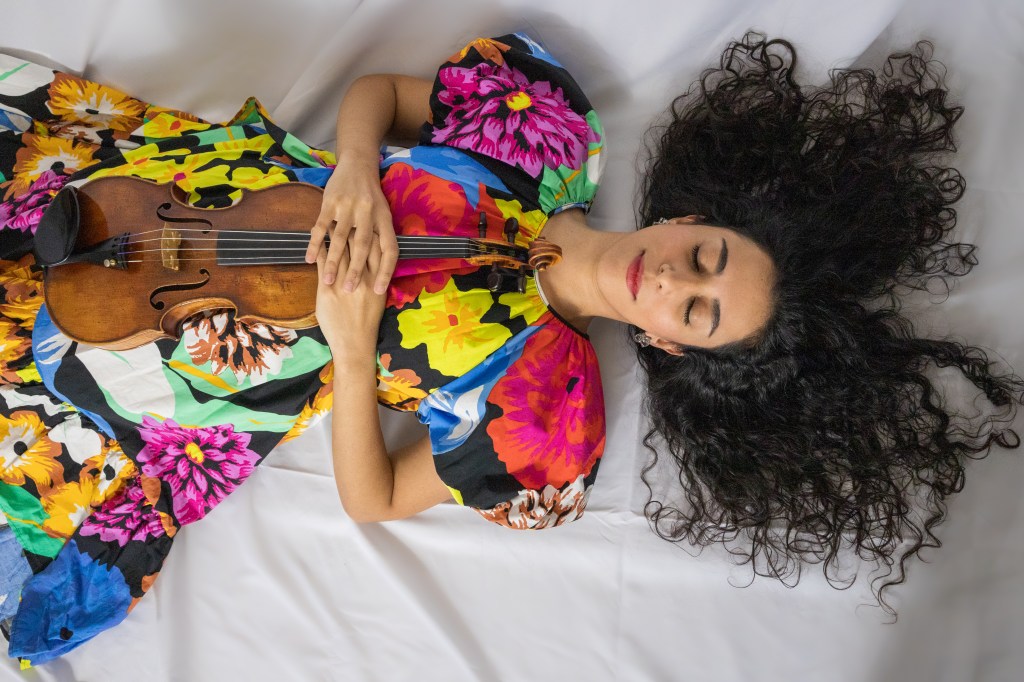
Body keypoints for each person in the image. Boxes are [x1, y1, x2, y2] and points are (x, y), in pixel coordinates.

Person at [0, 30, 1017, 664]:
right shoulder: (553, 133)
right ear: (691, 217)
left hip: (220, 360)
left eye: (697, 309)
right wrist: (356, 170)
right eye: (702, 256)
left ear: (670, 346)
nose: (671, 280)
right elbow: (385, 100)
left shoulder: (551, 416)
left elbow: (372, 498)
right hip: (209, 189)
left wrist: (354, 355)